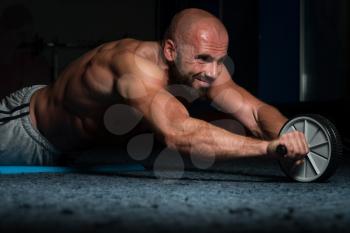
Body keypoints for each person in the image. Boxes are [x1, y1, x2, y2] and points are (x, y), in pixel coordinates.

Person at [0, 8, 308, 165]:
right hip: (28, 129)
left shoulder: (202, 68)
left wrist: (292, 136)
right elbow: (177, 132)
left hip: (72, 151)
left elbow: (254, 112)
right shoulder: (132, 66)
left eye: (220, 60)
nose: (214, 72)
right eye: (203, 59)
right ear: (171, 51)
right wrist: (269, 148)